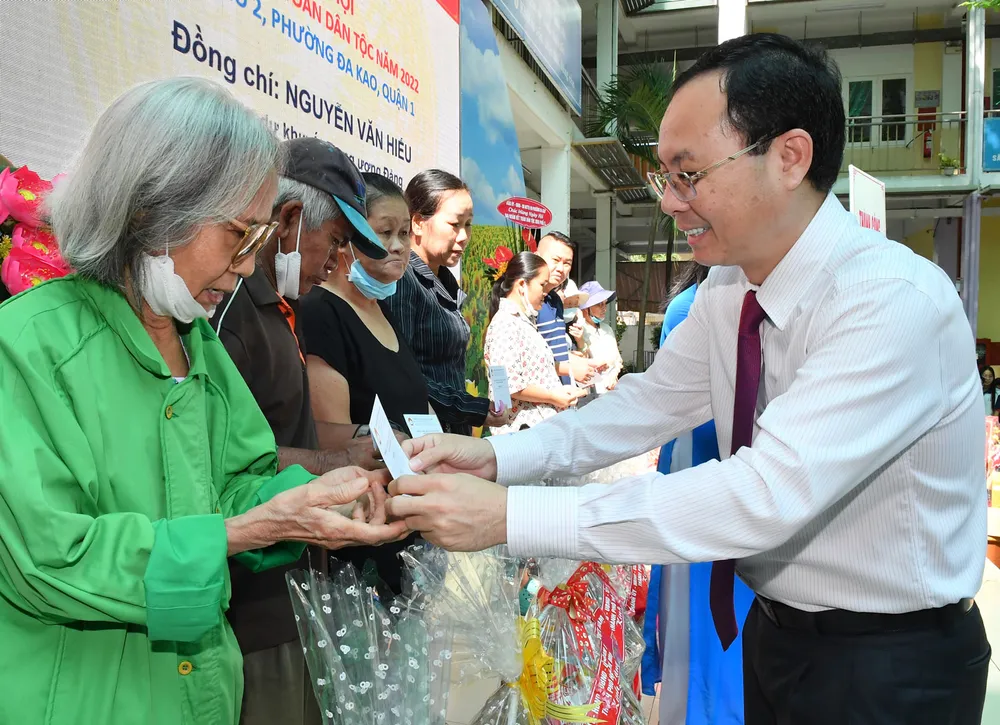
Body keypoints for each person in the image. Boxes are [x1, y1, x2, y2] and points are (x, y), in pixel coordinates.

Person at [387, 33, 990, 725]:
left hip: (892, 664)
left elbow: (764, 493)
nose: (671, 201)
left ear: (789, 157)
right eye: (664, 176)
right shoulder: (732, 286)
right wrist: (500, 459)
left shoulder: (889, 301)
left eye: (689, 172)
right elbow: (647, 403)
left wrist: (515, 517)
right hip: (778, 633)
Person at [0, 78, 407, 725]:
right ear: (149, 211)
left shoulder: (196, 345)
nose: (248, 266)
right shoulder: (28, 346)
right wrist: (252, 527)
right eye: (237, 235)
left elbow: (236, 481)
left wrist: (316, 501)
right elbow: (49, 557)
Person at [210, 137, 393, 725]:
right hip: (257, 610)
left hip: (297, 591)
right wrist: (330, 465)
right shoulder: (227, 315)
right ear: (288, 220)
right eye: (336, 243)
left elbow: (276, 426)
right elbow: (224, 461)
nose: (339, 264)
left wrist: (349, 451)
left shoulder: (278, 309)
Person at [300, 172, 426, 592]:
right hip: (359, 538)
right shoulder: (322, 313)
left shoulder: (384, 313)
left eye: (405, 233)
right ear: (350, 238)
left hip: (405, 522)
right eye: (383, 232)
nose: (398, 246)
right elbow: (330, 437)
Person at [643, 262, 753, 725]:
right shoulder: (694, 309)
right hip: (708, 500)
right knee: (709, 650)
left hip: (749, 502)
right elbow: (666, 408)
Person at [385, 169, 511, 435]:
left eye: (468, 224)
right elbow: (404, 377)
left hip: (450, 432)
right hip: (423, 437)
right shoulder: (404, 281)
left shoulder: (444, 281)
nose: (464, 236)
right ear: (418, 223)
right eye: (455, 224)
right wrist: (472, 408)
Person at [484, 251, 585, 435]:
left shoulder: (523, 322)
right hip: (523, 435)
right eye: (542, 285)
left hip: (539, 431)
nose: (545, 293)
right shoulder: (506, 324)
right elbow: (509, 385)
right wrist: (554, 396)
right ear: (522, 284)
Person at [535, 231, 601, 385]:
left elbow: (549, 348)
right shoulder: (526, 302)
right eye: (555, 260)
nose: (560, 268)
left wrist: (569, 356)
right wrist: (569, 367)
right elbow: (525, 358)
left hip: (563, 396)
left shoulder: (556, 300)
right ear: (536, 257)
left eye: (567, 263)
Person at [576, 280, 623, 395]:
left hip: (611, 390)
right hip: (589, 393)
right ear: (585, 308)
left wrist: (614, 376)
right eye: (599, 304)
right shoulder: (578, 330)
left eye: (604, 304)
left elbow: (618, 360)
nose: (604, 309)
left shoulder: (607, 329)